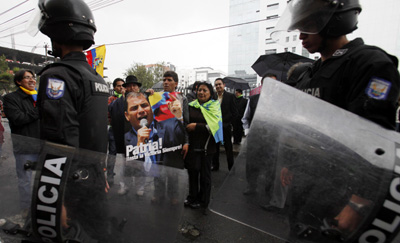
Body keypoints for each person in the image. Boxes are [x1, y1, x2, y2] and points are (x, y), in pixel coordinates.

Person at [272, 0, 400, 235]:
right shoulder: (308, 73)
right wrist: (290, 163)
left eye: (308, 26)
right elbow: (302, 127)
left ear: (332, 21)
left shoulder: (370, 64)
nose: (301, 36)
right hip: (305, 189)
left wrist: (358, 203)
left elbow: (376, 141)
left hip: (343, 195)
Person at [35, 0, 110, 240]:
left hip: (71, 183)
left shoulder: (58, 75)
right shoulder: (96, 78)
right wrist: (101, 172)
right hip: (94, 176)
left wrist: (57, 198)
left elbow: (60, 139)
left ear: (57, 33)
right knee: (97, 234)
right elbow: (97, 134)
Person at [124, 92, 185, 202]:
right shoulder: (126, 139)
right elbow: (131, 169)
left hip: (167, 162)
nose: (141, 110)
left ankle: (173, 195)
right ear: (127, 116)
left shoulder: (166, 127)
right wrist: (139, 145)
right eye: (134, 108)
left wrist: (179, 117)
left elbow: (180, 136)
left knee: (170, 173)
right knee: (158, 175)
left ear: (151, 109)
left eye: (144, 105)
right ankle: (158, 194)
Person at [3, 69, 40, 216]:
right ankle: (26, 209)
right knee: (25, 181)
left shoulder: (39, 96)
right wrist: (38, 111)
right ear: (18, 81)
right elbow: (18, 118)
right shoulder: (10, 98)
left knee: (43, 180)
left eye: (33, 77)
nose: (32, 80)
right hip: (25, 147)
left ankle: (41, 207)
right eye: (27, 78)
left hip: (43, 146)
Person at [184, 81, 223, 215]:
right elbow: (184, 121)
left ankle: (203, 201)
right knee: (193, 173)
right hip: (193, 146)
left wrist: (197, 126)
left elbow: (214, 127)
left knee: (205, 176)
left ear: (210, 93)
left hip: (207, 147)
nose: (201, 92)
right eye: (199, 90)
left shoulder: (214, 106)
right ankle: (192, 197)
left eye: (205, 90)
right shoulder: (191, 106)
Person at [212, 78, 237, 171]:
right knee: (215, 148)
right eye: (216, 85)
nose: (218, 86)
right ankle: (215, 166)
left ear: (224, 85)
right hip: (215, 127)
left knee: (228, 148)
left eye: (219, 84)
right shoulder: (213, 97)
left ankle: (231, 168)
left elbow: (234, 112)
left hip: (226, 127)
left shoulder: (230, 96)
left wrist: (229, 124)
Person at [107, 77, 125, 185]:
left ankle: (125, 177)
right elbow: (109, 109)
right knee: (112, 153)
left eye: (123, 85)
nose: (121, 87)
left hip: (124, 130)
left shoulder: (128, 98)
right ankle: (109, 175)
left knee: (126, 155)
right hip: (114, 130)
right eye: (118, 85)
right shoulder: (111, 99)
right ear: (114, 88)